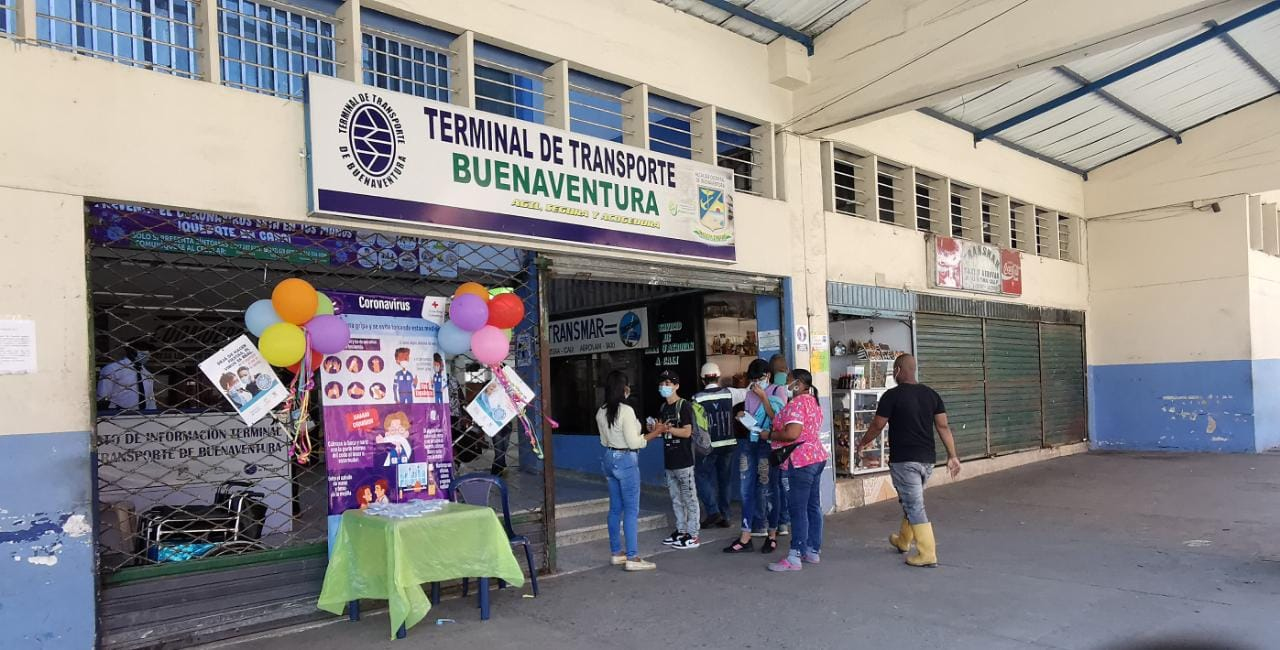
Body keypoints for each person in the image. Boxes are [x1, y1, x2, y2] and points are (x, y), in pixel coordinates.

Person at [858, 354, 961, 568]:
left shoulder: (891, 396)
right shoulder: (931, 395)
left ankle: (927, 553)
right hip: (927, 461)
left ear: (897, 370)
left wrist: (862, 443)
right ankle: (903, 541)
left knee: (914, 505)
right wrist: (953, 455)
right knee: (911, 501)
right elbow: (943, 427)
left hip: (905, 461)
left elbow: (877, 425)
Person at [765, 369, 828, 572]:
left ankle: (795, 555)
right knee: (812, 506)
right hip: (816, 457)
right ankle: (812, 550)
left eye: (789, 382)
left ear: (799, 384)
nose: (786, 385)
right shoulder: (813, 401)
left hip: (800, 462)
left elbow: (792, 433)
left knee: (797, 508)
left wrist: (769, 435)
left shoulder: (797, 403)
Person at [596, 370, 659, 571]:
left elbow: (604, 441)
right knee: (631, 510)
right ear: (624, 389)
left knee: (615, 508)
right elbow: (634, 442)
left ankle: (617, 553)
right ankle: (633, 557)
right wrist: (656, 433)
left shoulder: (601, 411)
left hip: (608, 458)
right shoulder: (626, 411)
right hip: (626, 460)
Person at [724, 359, 788, 554]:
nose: (755, 383)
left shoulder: (778, 391)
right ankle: (745, 536)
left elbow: (778, 420)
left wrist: (764, 398)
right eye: (752, 380)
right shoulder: (750, 393)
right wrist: (743, 415)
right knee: (746, 488)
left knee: (769, 489)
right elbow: (753, 420)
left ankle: (772, 535)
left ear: (767, 376)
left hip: (769, 445)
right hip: (751, 443)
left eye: (758, 379)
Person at [650, 370, 700, 550]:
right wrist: (656, 428)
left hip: (684, 460)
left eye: (668, 384)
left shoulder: (683, 405)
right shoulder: (664, 408)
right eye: (662, 384)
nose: (664, 387)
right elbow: (662, 431)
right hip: (669, 460)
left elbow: (687, 431)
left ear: (676, 386)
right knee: (676, 499)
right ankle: (681, 530)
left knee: (689, 498)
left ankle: (693, 535)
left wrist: (667, 430)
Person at [693, 362, 745, 529]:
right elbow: (750, 391)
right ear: (719, 377)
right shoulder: (730, 393)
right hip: (728, 444)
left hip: (707, 446)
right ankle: (726, 515)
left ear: (702, 379)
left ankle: (713, 511)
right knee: (725, 481)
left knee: (701, 477)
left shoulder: (697, 398)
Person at [768, 353, 793, 537]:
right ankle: (783, 521)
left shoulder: (770, 390)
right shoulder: (787, 390)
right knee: (782, 485)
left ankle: (778, 522)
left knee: (775, 486)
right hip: (785, 445)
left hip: (773, 443)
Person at [97, 341, 158, 411]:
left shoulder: (146, 372)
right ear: (132, 352)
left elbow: (150, 398)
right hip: (117, 414)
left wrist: (152, 413)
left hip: (144, 415)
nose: (148, 356)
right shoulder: (112, 369)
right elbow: (102, 396)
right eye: (143, 352)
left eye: (149, 353)